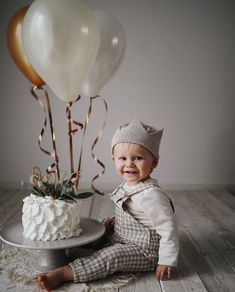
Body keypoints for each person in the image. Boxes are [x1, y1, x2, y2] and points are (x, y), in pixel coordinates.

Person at [37, 118, 179, 291]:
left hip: (144, 251)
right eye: (122, 158)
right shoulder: (128, 185)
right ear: (114, 160)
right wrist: (114, 222)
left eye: (138, 158)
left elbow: (169, 228)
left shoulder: (152, 195)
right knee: (95, 232)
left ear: (154, 162)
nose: (129, 164)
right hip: (122, 237)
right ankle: (70, 248)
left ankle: (65, 273)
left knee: (111, 256)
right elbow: (136, 215)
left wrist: (166, 259)